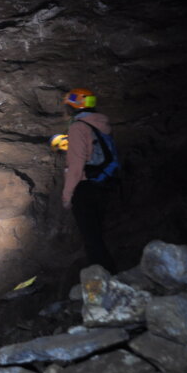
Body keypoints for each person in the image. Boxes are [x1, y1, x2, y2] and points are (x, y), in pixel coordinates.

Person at [58, 88, 117, 272]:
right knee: (97, 235)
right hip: (103, 184)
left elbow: (76, 166)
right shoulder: (102, 125)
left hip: (85, 188)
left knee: (91, 239)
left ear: (72, 106)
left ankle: (103, 279)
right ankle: (108, 275)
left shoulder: (78, 128)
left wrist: (67, 196)